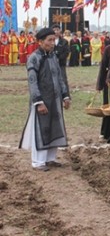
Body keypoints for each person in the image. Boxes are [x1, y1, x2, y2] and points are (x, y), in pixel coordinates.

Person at [19, 27, 71, 171]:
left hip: (55, 101)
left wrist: (65, 95)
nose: (53, 43)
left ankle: (50, 159)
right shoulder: (34, 58)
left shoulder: (53, 56)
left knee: (54, 127)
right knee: (41, 129)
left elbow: (60, 77)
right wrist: (38, 102)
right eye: (49, 40)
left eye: (54, 40)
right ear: (40, 42)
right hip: (42, 101)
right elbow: (32, 82)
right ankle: (38, 162)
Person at [52, 24, 70, 91]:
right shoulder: (50, 41)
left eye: (57, 30)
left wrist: (59, 58)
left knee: (63, 79)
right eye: (54, 30)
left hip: (61, 63)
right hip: (51, 63)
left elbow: (66, 52)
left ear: (60, 31)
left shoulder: (64, 41)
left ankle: (66, 95)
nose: (56, 32)